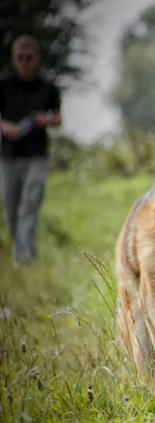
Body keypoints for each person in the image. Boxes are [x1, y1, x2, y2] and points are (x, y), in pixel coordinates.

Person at [0, 35, 61, 263]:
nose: (25, 62)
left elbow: (57, 118)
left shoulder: (47, 88)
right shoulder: (4, 85)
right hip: (8, 156)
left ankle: (23, 260)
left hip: (36, 155)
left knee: (29, 205)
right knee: (11, 209)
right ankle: (24, 250)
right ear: (14, 59)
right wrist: (6, 127)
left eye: (29, 58)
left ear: (37, 59)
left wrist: (44, 120)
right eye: (20, 58)